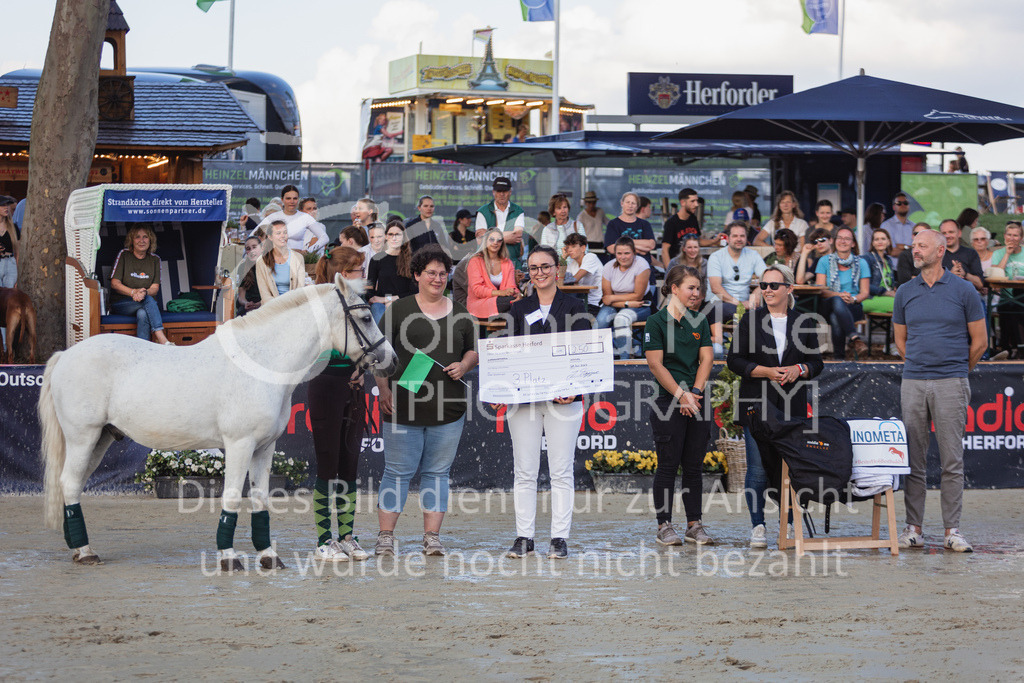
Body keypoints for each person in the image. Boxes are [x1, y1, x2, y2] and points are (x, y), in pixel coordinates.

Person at [374, 245, 478, 557]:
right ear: (417, 275)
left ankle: (431, 538)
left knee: (437, 474)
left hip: (449, 408)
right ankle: (385, 538)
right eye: (430, 273)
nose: (437, 278)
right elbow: (379, 354)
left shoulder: (462, 313)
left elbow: (473, 349)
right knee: (396, 472)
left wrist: (465, 365)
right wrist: (383, 389)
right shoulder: (399, 310)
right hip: (402, 406)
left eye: (443, 273)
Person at [893, 229, 986, 553]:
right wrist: (923, 366)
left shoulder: (964, 291)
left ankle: (952, 530)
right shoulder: (905, 291)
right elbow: (901, 342)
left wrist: (957, 370)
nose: (914, 250)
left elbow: (981, 341)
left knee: (951, 461)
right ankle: (913, 528)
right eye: (914, 245)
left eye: (921, 246)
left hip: (951, 382)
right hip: (914, 381)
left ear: (940, 250)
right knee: (914, 460)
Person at [502, 245, 590, 560]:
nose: (540, 272)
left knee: (562, 471)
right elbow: (508, 352)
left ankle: (559, 538)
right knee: (524, 470)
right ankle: (524, 537)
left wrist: (575, 388)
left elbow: (584, 353)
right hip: (523, 401)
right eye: (534, 267)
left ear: (557, 269)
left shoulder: (575, 305)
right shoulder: (518, 308)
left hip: (563, 400)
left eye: (546, 266)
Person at [727, 264, 823, 548]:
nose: (767, 290)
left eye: (773, 285)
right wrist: (766, 371)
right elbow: (735, 360)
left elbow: (816, 363)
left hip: (790, 405)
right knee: (757, 469)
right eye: (763, 285)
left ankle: (792, 522)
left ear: (789, 289)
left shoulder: (804, 321)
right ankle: (758, 526)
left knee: (791, 468)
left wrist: (800, 368)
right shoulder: (750, 320)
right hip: (755, 403)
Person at [644, 265, 715, 546]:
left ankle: (694, 524)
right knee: (668, 465)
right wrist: (681, 395)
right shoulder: (655, 322)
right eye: (690, 288)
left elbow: (706, 359)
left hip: (696, 399)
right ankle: (664, 525)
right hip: (667, 401)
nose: (696, 293)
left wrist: (694, 393)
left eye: (698, 288)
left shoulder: (700, 321)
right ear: (674, 289)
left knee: (694, 466)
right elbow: (655, 364)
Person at [308, 246, 371, 562]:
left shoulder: (360, 302)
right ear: (344, 273)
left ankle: (347, 536)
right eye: (359, 269)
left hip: (353, 385)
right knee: (328, 464)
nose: (363, 274)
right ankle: (323, 540)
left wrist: (361, 368)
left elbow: (368, 344)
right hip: (325, 385)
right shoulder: (319, 302)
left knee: (349, 464)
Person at [707, 222, 767, 354]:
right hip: (721, 304)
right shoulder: (716, 257)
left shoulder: (753, 255)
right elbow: (715, 287)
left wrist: (757, 292)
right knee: (729, 310)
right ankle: (732, 349)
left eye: (742, 236)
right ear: (727, 238)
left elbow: (768, 277)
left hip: (747, 303)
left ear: (746, 238)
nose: (739, 239)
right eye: (735, 236)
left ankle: (757, 351)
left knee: (766, 313)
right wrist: (740, 304)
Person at [109, 226, 172, 345]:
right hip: (123, 304)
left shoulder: (155, 260)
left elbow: (154, 288)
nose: (141, 240)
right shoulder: (124, 255)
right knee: (147, 299)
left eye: (145, 237)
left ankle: (143, 349)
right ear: (131, 240)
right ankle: (161, 337)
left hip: (145, 303)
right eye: (137, 237)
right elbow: (115, 284)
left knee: (143, 313)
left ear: (150, 240)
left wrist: (143, 293)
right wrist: (133, 293)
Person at [815, 226, 870, 359]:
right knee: (837, 302)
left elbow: (865, 292)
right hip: (827, 305)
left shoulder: (862, 263)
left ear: (853, 243)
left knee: (836, 316)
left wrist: (853, 299)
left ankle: (839, 358)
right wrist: (839, 295)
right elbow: (820, 290)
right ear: (834, 241)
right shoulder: (824, 261)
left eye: (847, 239)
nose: (843, 241)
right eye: (840, 238)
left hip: (853, 306)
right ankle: (854, 337)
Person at [596, 237, 652, 359]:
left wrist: (614, 299)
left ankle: (625, 360)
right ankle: (599, 359)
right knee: (599, 322)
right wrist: (627, 303)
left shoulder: (642, 264)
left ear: (634, 253)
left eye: (627, 253)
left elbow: (638, 296)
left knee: (621, 319)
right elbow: (606, 298)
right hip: (623, 305)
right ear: (614, 254)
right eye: (619, 253)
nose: (623, 257)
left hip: (641, 306)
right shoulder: (608, 266)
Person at [367, 218, 415, 324]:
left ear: (403, 237)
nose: (394, 238)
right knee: (378, 313)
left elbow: (415, 292)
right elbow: (369, 289)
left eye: (398, 234)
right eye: (391, 234)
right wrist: (373, 298)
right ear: (386, 236)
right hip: (380, 306)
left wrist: (387, 299)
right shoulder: (376, 259)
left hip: (404, 304)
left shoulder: (412, 259)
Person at [253, 185, 328, 253]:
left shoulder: (305, 217)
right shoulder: (274, 216)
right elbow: (252, 235)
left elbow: (324, 238)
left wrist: (308, 251)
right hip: (276, 261)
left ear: (298, 200)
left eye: (294, 198)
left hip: (298, 261)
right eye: (288, 198)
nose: (292, 201)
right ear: (282, 200)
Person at [466, 228, 520, 319]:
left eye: (499, 240)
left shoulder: (507, 262)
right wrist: (501, 293)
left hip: (501, 301)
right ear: (485, 241)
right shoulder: (475, 261)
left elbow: (511, 286)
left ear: (502, 243)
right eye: (492, 239)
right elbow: (477, 290)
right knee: (512, 303)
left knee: (521, 302)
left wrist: (518, 295)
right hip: (480, 303)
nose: (495, 242)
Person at [475, 177, 527, 268]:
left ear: (510, 192)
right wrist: (506, 237)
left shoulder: (518, 211)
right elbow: (480, 240)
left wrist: (489, 237)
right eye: (499, 191)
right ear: (493, 192)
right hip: (487, 264)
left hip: (512, 263)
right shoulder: (483, 211)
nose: (502, 194)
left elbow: (517, 235)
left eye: (505, 191)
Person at [991, 222, 1024, 358]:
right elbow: (995, 277)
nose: (1012, 238)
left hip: (1021, 296)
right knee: (1010, 306)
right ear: (1004, 236)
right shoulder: (998, 253)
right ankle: (1014, 348)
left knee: (1018, 301)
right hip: (1004, 298)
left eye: (1015, 235)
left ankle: (1011, 348)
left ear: (1021, 238)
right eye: (1009, 235)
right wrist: (1007, 254)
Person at [662, 188, 713, 269]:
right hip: (678, 266)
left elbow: (699, 241)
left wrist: (715, 241)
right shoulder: (671, 222)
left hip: (693, 266)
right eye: (692, 201)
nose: (696, 204)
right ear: (682, 202)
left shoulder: (693, 219)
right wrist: (670, 272)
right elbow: (665, 250)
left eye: (696, 201)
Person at [255, 220, 306, 301]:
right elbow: (265, 295)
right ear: (270, 237)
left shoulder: (298, 258)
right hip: (271, 308)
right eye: (278, 233)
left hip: (294, 306)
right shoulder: (261, 261)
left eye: (285, 232)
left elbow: (300, 290)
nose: (283, 236)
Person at [604, 192, 657, 264]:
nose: (630, 206)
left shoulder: (645, 224)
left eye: (633, 203)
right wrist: (640, 250)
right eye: (627, 202)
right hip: (620, 267)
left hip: (642, 266)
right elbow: (611, 248)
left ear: (637, 206)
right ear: (622, 203)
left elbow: (651, 245)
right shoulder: (613, 224)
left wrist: (624, 242)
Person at [562, 232, 603, 315]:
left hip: (594, 304)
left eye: (573, 246)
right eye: (568, 247)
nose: (569, 250)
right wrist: (562, 258)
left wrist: (570, 281)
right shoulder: (572, 264)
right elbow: (560, 280)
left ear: (583, 248)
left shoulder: (590, 257)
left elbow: (574, 279)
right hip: (581, 302)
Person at [940, 219, 984, 293]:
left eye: (951, 232)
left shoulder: (971, 253)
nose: (947, 236)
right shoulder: (935, 255)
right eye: (944, 233)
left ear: (959, 233)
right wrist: (950, 275)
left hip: (967, 297)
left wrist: (965, 274)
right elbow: (929, 282)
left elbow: (980, 284)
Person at [862, 228, 898, 314]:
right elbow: (864, 285)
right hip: (870, 298)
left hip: (886, 298)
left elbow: (890, 283)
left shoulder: (888, 260)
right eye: (876, 239)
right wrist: (885, 292)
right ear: (873, 243)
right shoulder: (867, 258)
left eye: (883, 239)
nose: (880, 242)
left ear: (888, 242)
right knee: (902, 305)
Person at [234, 236, 264, 316]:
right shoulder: (243, 267)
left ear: (262, 248)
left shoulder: (269, 266)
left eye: (254, 247)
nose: (251, 251)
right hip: (249, 304)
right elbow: (241, 296)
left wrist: (259, 304)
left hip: (265, 303)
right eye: (248, 249)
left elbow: (273, 294)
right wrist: (246, 303)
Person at [896, 222, 931, 287]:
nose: (919, 236)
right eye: (916, 234)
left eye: (923, 233)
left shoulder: (934, 255)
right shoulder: (904, 255)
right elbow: (904, 280)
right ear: (912, 236)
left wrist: (915, 278)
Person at [0, 198, 18, 287]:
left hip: (10, 263)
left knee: (9, 295)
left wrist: (18, 271)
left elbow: (17, 252)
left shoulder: (13, 227)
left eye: (7, 205)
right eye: (3, 205)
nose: (6, 207)